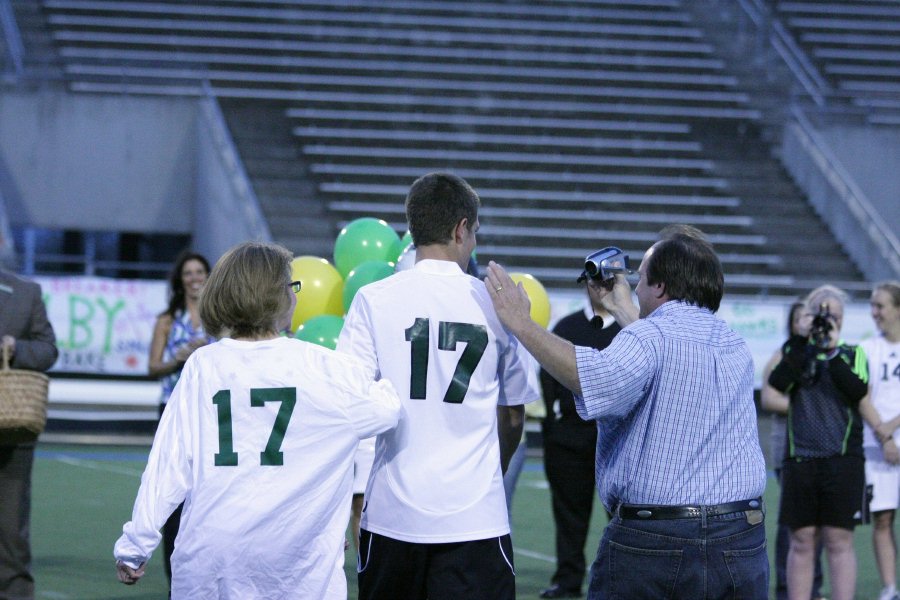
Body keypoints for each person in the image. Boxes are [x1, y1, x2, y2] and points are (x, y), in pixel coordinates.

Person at [485, 229, 768, 599]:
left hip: (660, 538)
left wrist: (521, 323)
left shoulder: (650, 338)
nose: (634, 288)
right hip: (741, 531)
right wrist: (620, 308)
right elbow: (667, 351)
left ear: (661, 287)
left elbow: (591, 378)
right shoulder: (733, 343)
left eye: (641, 279)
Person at [113, 241, 402, 598]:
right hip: (297, 562)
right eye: (291, 286)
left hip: (212, 558)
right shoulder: (323, 366)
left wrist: (135, 543)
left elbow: (167, 465)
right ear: (276, 295)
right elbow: (386, 409)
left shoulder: (203, 366)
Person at [337, 172, 540, 600]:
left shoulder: (373, 299)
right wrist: (489, 472)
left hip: (392, 515)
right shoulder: (498, 304)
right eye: (475, 233)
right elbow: (513, 414)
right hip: (476, 518)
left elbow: (349, 406)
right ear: (460, 229)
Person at [769, 284, 870, 600]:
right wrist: (803, 341)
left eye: (835, 317)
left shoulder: (853, 353)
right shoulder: (795, 351)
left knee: (840, 540)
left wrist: (832, 348)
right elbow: (778, 383)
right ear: (808, 316)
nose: (829, 322)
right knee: (801, 540)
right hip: (800, 460)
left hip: (843, 461)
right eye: (822, 316)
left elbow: (856, 390)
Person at [538, 279, 620, 599]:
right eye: (593, 280)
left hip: (617, 441)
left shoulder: (632, 329)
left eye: (607, 280)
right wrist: (553, 425)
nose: (600, 287)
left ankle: (620, 580)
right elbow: (547, 376)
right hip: (569, 439)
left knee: (622, 518)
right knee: (569, 515)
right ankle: (568, 580)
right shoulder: (566, 326)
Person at [146, 250, 215, 590]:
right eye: (188, 272)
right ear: (179, 279)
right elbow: (152, 366)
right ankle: (176, 579)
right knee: (172, 492)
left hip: (209, 410)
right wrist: (177, 357)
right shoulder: (167, 320)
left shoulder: (221, 317)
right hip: (173, 410)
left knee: (208, 490)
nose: (194, 277)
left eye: (199, 271)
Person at [760, 301, 827, 600]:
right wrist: (809, 408)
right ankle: (788, 589)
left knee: (821, 524)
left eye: (809, 317)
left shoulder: (824, 357)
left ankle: (813, 586)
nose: (805, 322)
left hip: (820, 449)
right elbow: (769, 398)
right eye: (799, 317)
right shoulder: (782, 357)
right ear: (791, 323)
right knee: (793, 524)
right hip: (788, 447)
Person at [0, 269, 58, 600]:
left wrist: (14, 347)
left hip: (12, 429)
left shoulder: (25, 292)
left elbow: (48, 351)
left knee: (10, 533)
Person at [859, 281, 900, 600]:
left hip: (888, 439)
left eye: (880, 306)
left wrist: (892, 428)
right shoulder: (867, 349)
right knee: (883, 517)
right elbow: (863, 397)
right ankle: (889, 588)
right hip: (877, 448)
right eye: (873, 305)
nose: (874, 312)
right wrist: (883, 435)